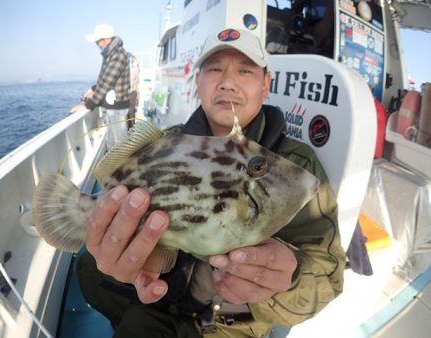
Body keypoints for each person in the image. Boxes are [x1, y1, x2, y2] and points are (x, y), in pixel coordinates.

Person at [76, 28, 345, 338]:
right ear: (198, 82)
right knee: (89, 270)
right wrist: (126, 262)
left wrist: (291, 277)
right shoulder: (167, 142)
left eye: (245, 70)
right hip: (160, 299)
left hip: (232, 324)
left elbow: (327, 276)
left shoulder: (295, 163)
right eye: (215, 68)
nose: (228, 82)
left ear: (266, 85)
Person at [72, 23, 131, 146]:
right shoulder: (111, 53)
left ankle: (119, 164)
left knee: (118, 146)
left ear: (108, 39)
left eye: (98, 41)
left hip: (116, 108)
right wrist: (92, 89)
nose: (97, 44)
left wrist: (88, 105)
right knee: (113, 143)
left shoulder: (118, 54)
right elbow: (105, 79)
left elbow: (107, 83)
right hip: (112, 106)